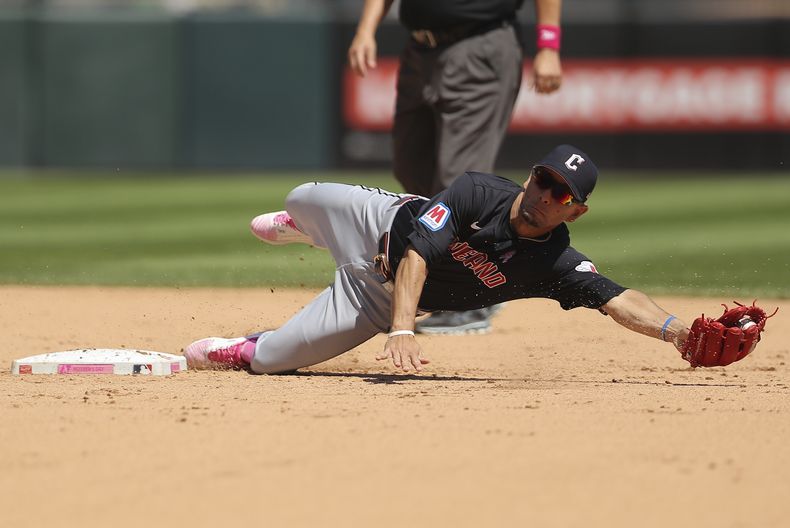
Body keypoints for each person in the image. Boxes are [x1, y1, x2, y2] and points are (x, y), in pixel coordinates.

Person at [184, 145, 697, 374]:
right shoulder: (478, 191)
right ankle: (312, 229)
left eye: (561, 194)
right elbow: (418, 254)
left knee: (272, 362)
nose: (546, 195)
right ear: (530, 177)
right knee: (298, 196)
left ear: (576, 212)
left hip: (375, 300)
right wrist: (404, 331)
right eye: (545, 180)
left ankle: (246, 345)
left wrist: (678, 332)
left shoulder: (554, 264)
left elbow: (616, 295)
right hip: (377, 222)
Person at [348, 0, 564, 335]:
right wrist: (366, 28)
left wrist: (548, 43)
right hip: (420, 49)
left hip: (479, 44)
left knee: (456, 182)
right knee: (411, 170)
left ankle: (474, 299)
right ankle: (435, 286)